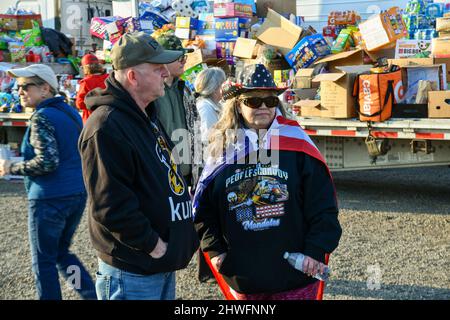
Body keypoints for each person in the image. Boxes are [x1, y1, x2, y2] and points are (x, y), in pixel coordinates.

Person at [192, 64, 342, 300]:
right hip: (245, 279)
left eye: (270, 101)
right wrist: (215, 250)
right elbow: (204, 210)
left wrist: (315, 251)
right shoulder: (224, 150)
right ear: (237, 105)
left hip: (295, 277)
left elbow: (323, 206)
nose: (263, 107)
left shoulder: (297, 144)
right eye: (253, 101)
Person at [78, 32, 199, 300]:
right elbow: (110, 205)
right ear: (133, 77)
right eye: (157, 69)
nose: (165, 75)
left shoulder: (146, 115)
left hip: (157, 266)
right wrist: (153, 245)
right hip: (133, 270)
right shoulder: (106, 126)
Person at [0, 64, 95, 300]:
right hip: (76, 194)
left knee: (44, 262)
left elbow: (46, 162)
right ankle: (90, 294)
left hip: (49, 197)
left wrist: (11, 167)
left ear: (45, 89)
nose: (19, 91)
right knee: (61, 252)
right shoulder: (70, 111)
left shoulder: (42, 117)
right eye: (17, 87)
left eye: (24, 86)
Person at [193, 66, 227, 283]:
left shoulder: (213, 105)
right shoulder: (205, 107)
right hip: (209, 165)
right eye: (222, 83)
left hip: (213, 164)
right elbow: (208, 137)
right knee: (210, 216)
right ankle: (207, 270)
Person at [153, 33, 198, 187]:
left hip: (186, 175)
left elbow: (195, 129)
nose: (184, 61)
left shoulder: (185, 89)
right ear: (163, 58)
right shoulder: (151, 93)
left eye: (184, 56)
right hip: (161, 175)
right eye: (179, 57)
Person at [194, 67, 227, 143]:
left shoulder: (217, 104)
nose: (226, 87)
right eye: (223, 84)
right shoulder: (205, 107)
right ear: (215, 88)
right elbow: (208, 139)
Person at [75, 54, 108, 123]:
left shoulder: (86, 82)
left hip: (92, 119)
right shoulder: (109, 78)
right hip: (109, 116)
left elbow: (79, 104)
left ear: (85, 68)